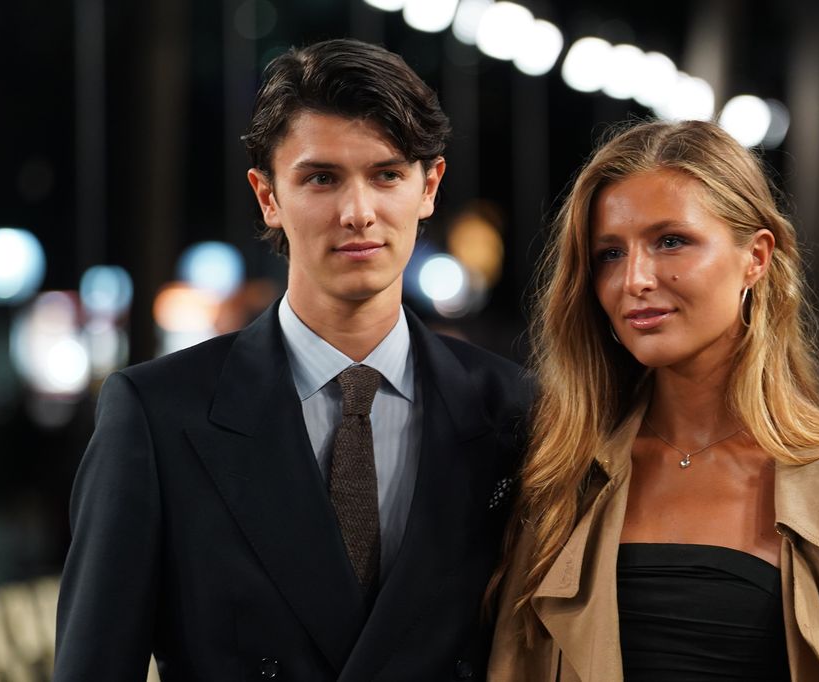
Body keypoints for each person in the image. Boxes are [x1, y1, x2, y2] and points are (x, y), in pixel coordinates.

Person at [54, 39, 531, 681]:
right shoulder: (159, 414)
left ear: (430, 186)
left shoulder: (517, 411)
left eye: (386, 174)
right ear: (267, 196)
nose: (358, 213)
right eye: (321, 178)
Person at [487, 120, 819, 681]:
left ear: (756, 257)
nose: (635, 279)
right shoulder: (560, 478)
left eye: (671, 241)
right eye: (609, 254)